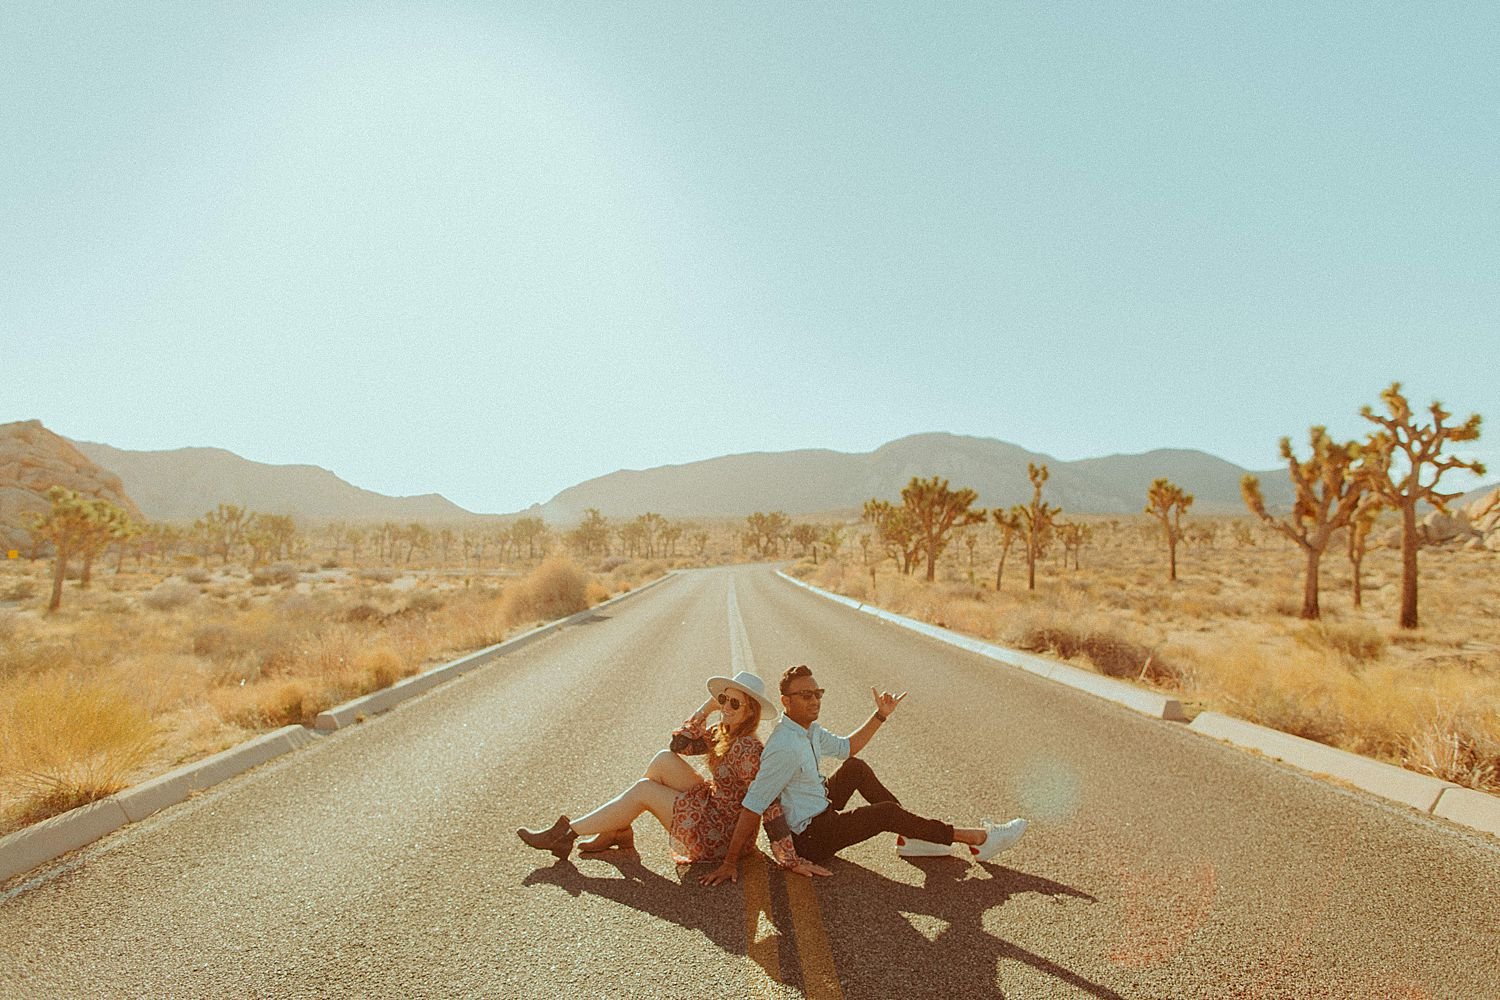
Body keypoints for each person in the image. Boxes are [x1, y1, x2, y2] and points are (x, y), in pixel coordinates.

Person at [702, 663, 1027, 886]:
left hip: (822, 807)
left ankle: (913, 836)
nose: (814, 700)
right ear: (786, 702)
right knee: (884, 813)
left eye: (818, 693)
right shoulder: (783, 747)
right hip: (811, 837)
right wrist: (730, 862)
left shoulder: (808, 730)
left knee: (855, 769)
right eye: (805, 695)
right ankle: (976, 838)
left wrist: (880, 716)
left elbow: (847, 748)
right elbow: (754, 805)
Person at [517, 670, 830, 878]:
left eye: (736, 703)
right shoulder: (722, 732)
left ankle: (566, 835)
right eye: (725, 699)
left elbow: (768, 805)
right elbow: (678, 744)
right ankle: (618, 829)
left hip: (721, 833)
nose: (727, 707)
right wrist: (711, 704)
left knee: (644, 791)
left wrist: (787, 859)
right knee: (662, 759)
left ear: (751, 711)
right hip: (713, 806)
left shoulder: (748, 748)